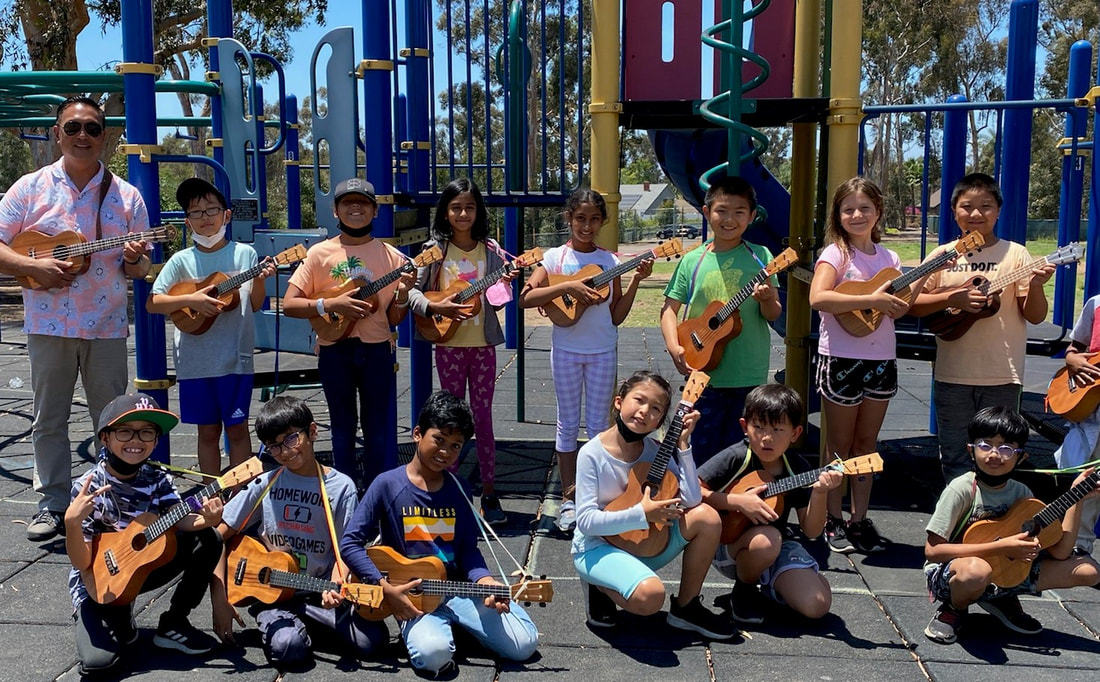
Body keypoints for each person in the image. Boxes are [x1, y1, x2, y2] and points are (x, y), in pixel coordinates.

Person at [0, 96, 152, 541]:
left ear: (104, 137)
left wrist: (136, 258)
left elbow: (141, 270)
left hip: (105, 324)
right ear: (56, 134)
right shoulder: (29, 188)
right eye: (72, 128)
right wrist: (33, 268)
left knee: (112, 420)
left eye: (91, 129)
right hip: (48, 326)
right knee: (49, 418)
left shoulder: (127, 197)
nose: (82, 136)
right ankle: (51, 504)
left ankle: (116, 501)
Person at [339, 391, 539, 675]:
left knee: (524, 645)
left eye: (456, 445)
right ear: (417, 434)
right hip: (413, 598)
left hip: (458, 591)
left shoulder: (459, 489)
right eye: (439, 439)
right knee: (433, 658)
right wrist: (385, 588)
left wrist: (486, 580)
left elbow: (468, 550)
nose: (446, 451)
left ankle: (458, 625)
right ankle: (446, 631)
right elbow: (350, 543)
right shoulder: (387, 484)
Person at [210, 395, 387, 670]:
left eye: (291, 438)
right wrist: (219, 599)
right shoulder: (264, 484)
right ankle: (279, 618)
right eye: (274, 446)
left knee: (372, 642)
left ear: (312, 432)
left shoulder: (341, 487)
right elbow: (217, 536)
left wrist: (335, 587)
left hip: (317, 592)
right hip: (273, 590)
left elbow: (344, 552)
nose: (284, 451)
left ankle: (300, 622)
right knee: (288, 649)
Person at [519, 188, 652, 533]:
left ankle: (595, 499)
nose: (587, 225)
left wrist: (636, 279)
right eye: (580, 218)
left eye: (595, 219)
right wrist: (569, 289)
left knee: (598, 427)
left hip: (602, 350)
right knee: (566, 423)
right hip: (565, 351)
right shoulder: (553, 259)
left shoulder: (611, 263)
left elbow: (617, 315)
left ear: (603, 221)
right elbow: (526, 297)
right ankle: (568, 499)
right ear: (569, 219)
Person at [910, 173, 1055, 484]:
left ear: (999, 211)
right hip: (952, 374)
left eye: (986, 206)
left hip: (1002, 374)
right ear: (953, 212)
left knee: (999, 455)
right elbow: (913, 304)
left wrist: (1039, 285)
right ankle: (959, 520)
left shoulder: (1015, 254)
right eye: (967, 206)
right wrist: (952, 298)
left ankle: (993, 521)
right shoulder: (942, 255)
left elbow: (1035, 315)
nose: (976, 214)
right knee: (955, 454)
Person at [64, 393, 223, 676]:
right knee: (99, 664)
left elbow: (180, 517)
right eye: (125, 431)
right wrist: (72, 524)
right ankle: (113, 615)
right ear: (105, 438)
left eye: (146, 432)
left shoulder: (157, 478)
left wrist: (205, 520)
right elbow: (81, 562)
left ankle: (174, 622)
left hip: (136, 570)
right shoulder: (88, 487)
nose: (136, 440)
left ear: (155, 441)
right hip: (95, 584)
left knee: (210, 537)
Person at [571, 370, 735, 639]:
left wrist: (683, 445)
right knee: (650, 598)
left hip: (648, 541)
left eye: (656, 408)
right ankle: (599, 585)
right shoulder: (591, 454)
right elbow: (586, 522)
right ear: (618, 402)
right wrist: (642, 513)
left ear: (661, 420)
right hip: (597, 545)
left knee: (707, 517)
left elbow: (693, 499)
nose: (645, 411)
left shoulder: (655, 450)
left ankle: (686, 607)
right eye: (639, 400)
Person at [809, 177, 925, 555]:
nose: (857, 215)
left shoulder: (890, 259)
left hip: (881, 359)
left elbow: (899, 308)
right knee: (838, 444)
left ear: (878, 212)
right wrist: (873, 298)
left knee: (866, 443)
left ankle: (859, 518)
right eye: (848, 209)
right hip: (841, 358)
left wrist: (919, 281)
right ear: (838, 215)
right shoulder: (836, 254)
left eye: (865, 208)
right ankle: (832, 517)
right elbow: (818, 298)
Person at [923, 406, 1100, 645]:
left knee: (1089, 570)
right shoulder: (961, 489)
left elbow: (1060, 552)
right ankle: (954, 608)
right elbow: (933, 552)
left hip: (1006, 570)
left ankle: (1001, 597)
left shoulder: (1021, 493)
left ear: (1021, 456)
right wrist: (1002, 547)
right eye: (985, 445)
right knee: (977, 571)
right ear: (971, 450)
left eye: (1006, 448)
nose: (994, 454)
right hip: (952, 573)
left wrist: (1076, 498)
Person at [283, 177, 415, 492]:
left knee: (377, 429)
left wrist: (403, 294)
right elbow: (290, 304)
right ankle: (341, 494)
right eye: (348, 202)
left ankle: (375, 493)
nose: (355, 208)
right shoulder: (318, 254)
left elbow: (394, 317)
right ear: (336, 211)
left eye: (363, 203)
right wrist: (330, 303)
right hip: (334, 349)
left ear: (374, 211)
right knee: (341, 427)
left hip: (377, 350)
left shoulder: (392, 257)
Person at [407, 178, 519, 525]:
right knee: (449, 422)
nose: (462, 213)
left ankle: (489, 492)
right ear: (445, 212)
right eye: (456, 207)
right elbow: (413, 292)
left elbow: (498, 302)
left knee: (483, 418)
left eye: (469, 207)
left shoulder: (491, 251)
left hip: (482, 347)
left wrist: (505, 283)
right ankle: (450, 489)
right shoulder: (435, 250)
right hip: (449, 346)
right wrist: (436, 309)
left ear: (478, 211)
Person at [147, 178, 276, 475]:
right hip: (196, 362)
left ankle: (241, 493)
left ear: (226, 215)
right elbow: (153, 302)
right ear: (187, 221)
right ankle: (210, 494)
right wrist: (191, 299)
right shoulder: (181, 261)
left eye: (211, 210)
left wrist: (259, 278)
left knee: (237, 430)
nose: (205, 218)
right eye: (196, 212)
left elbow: (255, 304)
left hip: (235, 360)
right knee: (207, 432)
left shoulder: (245, 255)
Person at [660, 176, 781, 464]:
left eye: (739, 212)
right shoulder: (693, 260)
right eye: (721, 211)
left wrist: (766, 300)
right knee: (697, 451)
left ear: (751, 217)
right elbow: (668, 310)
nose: (729, 219)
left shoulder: (761, 256)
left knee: (740, 454)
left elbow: (773, 313)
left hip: (747, 375)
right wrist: (674, 346)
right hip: (702, 375)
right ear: (706, 213)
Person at [698, 384, 840, 625]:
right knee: (767, 539)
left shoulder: (797, 467)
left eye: (777, 429)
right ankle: (744, 591)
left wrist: (820, 492)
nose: (766, 437)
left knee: (817, 606)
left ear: (795, 434)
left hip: (777, 548)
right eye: (759, 427)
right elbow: (692, 490)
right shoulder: (736, 456)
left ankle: (777, 582)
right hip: (728, 545)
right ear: (745, 427)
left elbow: (812, 530)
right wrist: (737, 502)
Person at [1051, 293, 1100, 556]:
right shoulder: (1096, 303)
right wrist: (1072, 360)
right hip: (1093, 413)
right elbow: (1076, 347)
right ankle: (1078, 548)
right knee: (1088, 484)